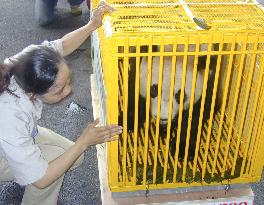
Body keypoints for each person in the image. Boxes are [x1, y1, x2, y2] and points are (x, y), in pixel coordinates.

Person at [0, 2, 119, 205]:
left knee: (74, 158)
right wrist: (84, 141)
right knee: (50, 172)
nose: (69, 90)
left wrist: (92, 25)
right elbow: (41, 179)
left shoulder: (23, 64)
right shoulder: (10, 117)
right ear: (32, 93)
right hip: (6, 145)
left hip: (21, 133)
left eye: (68, 82)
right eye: (59, 89)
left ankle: (23, 164)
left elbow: (62, 45)